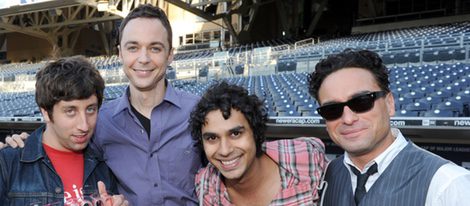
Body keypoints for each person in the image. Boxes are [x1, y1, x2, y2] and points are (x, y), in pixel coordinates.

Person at [1, 4, 203, 205]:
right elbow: (55, 134)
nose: (144, 58)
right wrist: (20, 145)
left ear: (170, 55)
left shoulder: (201, 113)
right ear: (120, 54)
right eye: (133, 47)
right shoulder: (101, 120)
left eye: (155, 48)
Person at [307, 49, 470, 206]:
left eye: (362, 101)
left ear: (389, 103)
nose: (348, 119)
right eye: (332, 109)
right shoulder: (326, 175)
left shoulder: (448, 184)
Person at [0, 56, 128, 205]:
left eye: (91, 109)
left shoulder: (104, 166)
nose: (84, 125)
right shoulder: (8, 163)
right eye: (70, 111)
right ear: (46, 113)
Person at [190, 82, 328, 206]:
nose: (225, 150)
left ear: (255, 132)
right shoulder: (206, 186)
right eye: (212, 138)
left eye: (235, 134)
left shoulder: (307, 158)